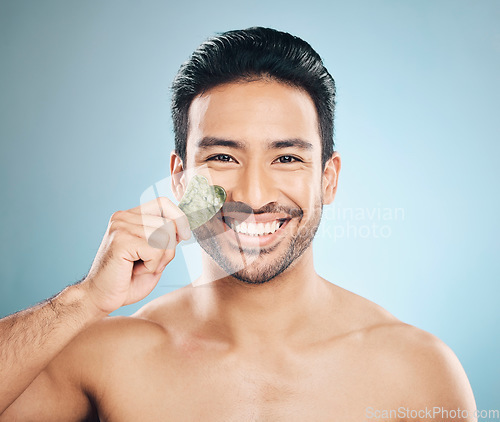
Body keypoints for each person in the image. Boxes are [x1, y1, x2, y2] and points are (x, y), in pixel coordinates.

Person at [0, 27, 476, 421]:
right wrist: (83, 300)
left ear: (328, 180)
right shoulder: (106, 358)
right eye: (224, 156)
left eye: (287, 157)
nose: (253, 196)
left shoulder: (418, 372)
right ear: (181, 179)